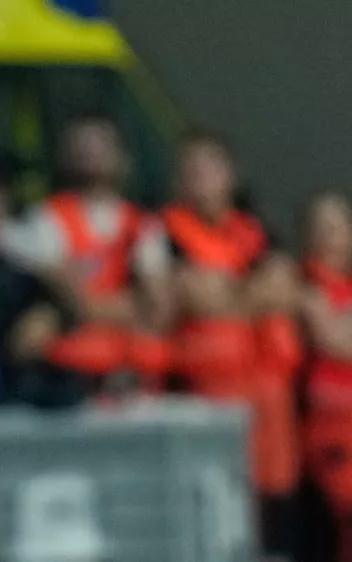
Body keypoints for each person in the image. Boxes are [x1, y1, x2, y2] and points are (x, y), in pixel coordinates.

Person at [160, 129, 302, 559]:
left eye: (210, 165)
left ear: (231, 174)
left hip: (268, 405)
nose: (200, 175)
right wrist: (248, 296)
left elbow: (282, 289)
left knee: (273, 518)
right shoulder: (162, 233)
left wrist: (228, 296)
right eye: (191, 168)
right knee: (214, 515)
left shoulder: (258, 230)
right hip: (203, 398)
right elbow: (192, 295)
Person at [0, 114, 174, 404]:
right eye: (82, 145)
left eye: (100, 145)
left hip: (128, 355)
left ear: (122, 157)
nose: (91, 153)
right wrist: (128, 306)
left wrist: (102, 307)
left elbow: (158, 308)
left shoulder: (143, 225)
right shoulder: (46, 219)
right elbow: (79, 303)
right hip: (72, 360)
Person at [301, 190, 352, 561]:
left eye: (336, 227)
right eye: (319, 228)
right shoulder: (304, 284)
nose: (328, 236)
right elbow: (332, 339)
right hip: (333, 427)